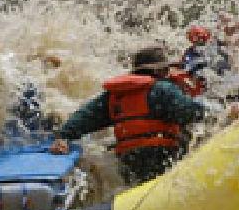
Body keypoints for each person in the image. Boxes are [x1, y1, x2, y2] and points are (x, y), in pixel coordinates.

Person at [50, 45, 206, 184]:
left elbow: (84, 117)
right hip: (162, 157)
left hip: (129, 161)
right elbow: (191, 113)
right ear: (161, 70)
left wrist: (63, 136)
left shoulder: (114, 96)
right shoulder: (163, 90)